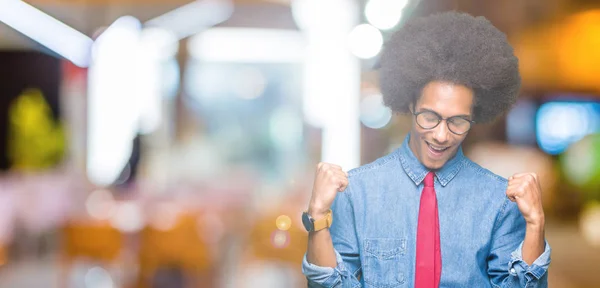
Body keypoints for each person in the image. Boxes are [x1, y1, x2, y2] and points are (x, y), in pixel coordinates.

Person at [300, 11, 551, 288]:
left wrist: (536, 224)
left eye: (457, 121)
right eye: (430, 117)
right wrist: (318, 217)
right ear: (410, 105)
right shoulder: (357, 191)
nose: (441, 135)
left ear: (474, 117)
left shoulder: (500, 201)